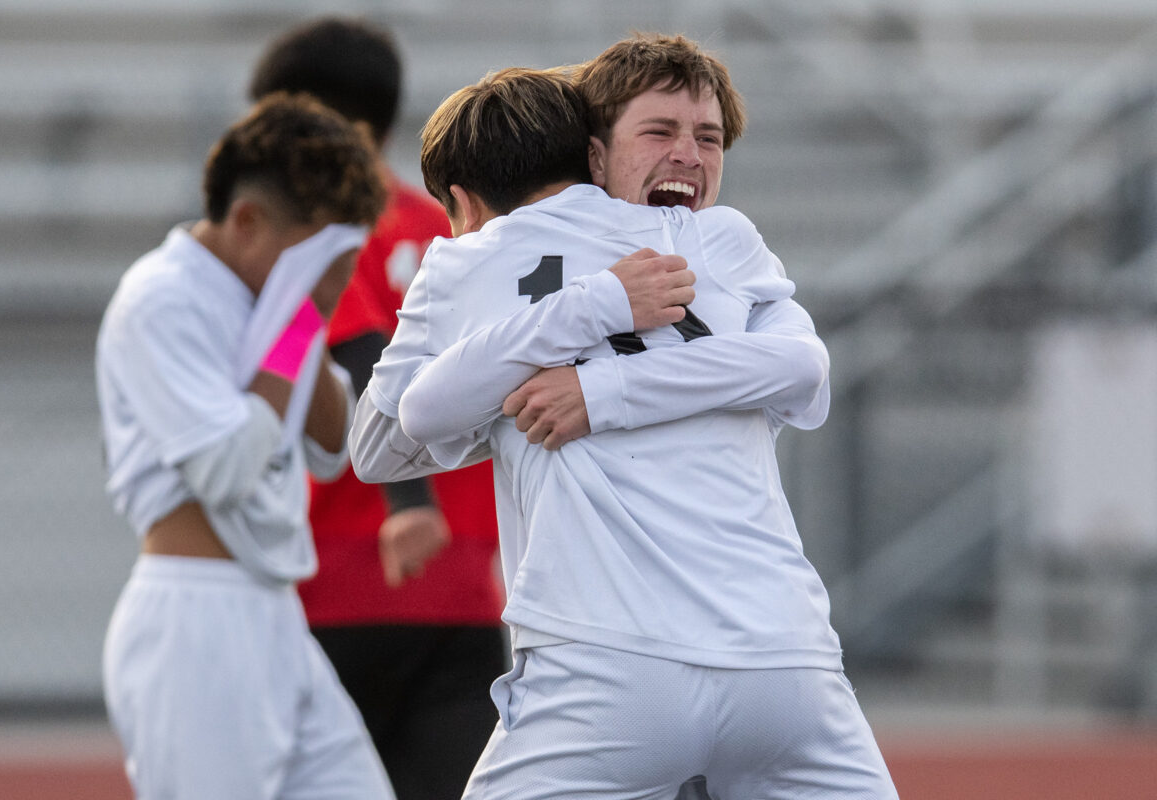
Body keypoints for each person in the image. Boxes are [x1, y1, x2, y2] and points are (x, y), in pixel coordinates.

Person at [351, 63, 898, 799]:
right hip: (784, 658)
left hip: (594, 660)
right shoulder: (708, 236)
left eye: (707, 137)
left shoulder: (460, 256)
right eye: (662, 131)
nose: (687, 155)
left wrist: (590, 380)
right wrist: (596, 314)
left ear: (459, 202)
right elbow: (802, 371)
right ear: (592, 154)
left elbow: (386, 435)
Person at [95, 93, 395, 800]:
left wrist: (306, 318)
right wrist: (293, 327)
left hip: (275, 613)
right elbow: (225, 467)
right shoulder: (161, 298)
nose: (336, 283)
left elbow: (331, 445)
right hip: (197, 622)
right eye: (325, 260)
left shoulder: (268, 303)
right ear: (247, 221)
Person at [247, 18, 505, 800]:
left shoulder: (320, 231)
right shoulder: (456, 230)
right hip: (461, 592)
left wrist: (407, 503)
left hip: (341, 582)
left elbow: (360, 353)